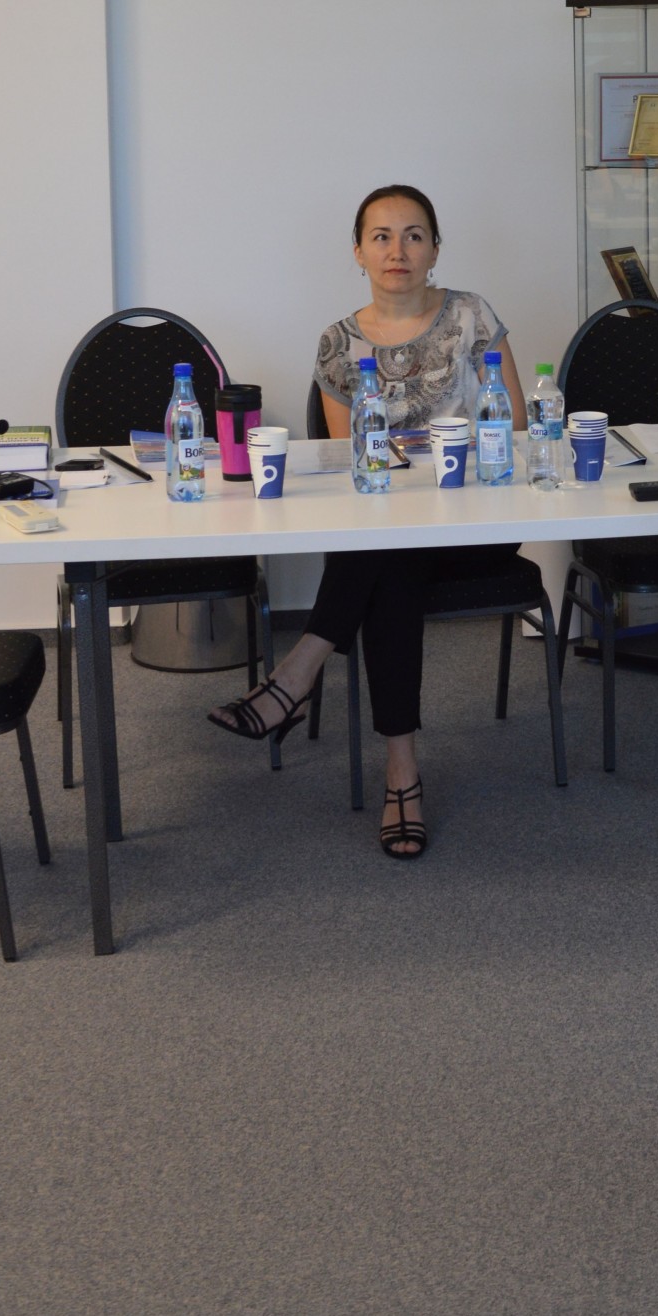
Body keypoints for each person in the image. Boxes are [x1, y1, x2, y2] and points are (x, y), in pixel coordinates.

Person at [207, 185, 526, 859]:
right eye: (381, 236)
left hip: (477, 523)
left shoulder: (471, 315)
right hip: (392, 534)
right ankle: (401, 773)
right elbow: (351, 463)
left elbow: (517, 432)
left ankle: (297, 675)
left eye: (413, 235)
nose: (397, 250)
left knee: (383, 553)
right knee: (391, 562)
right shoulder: (338, 342)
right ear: (358, 252)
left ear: (435, 248)